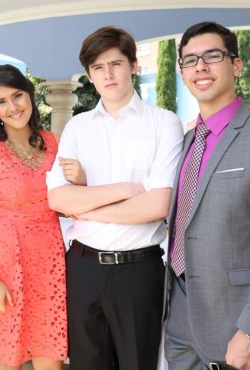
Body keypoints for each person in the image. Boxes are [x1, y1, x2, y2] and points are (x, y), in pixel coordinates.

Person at [164, 21, 250, 370]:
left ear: (236, 65)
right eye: (190, 60)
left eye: (212, 56)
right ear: (182, 71)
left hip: (237, 326)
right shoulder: (184, 144)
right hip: (180, 324)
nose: (200, 67)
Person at [46, 26, 184, 370]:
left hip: (139, 271)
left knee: (139, 364)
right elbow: (59, 200)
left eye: (115, 64)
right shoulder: (77, 128)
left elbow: (157, 206)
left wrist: (87, 205)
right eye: (97, 68)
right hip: (83, 268)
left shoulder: (164, 123)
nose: (107, 74)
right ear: (90, 75)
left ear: (133, 65)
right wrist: (127, 189)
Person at [0, 64, 69, 370]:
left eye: (17, 96)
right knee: (9, 359)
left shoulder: (53, 142)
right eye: (1, 102)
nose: (12, 107)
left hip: (49, 264)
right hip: (5, 267)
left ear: (30, 96)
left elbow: (67, 199)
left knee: (51, 356)